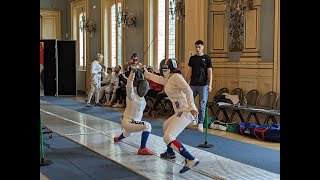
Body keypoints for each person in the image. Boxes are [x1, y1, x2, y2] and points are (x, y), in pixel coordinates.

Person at [143, 59, 200, 173]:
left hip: (186, 111)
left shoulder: (176, 77)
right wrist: (146, 72)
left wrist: (193, 108)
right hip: (180, 112)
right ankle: (170, 152)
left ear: (167, 69)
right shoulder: (170, 78)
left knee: (168, 137)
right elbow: (158, 79)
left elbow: (188, 90)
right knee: (165, 126)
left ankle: (190, 159)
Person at [114, 67, 154, 155]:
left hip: (134, 122)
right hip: (128, 122)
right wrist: (132, 72)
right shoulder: (131, 95)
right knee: (147, 126)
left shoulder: (142, 98)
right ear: (138, 87)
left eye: (145, 88)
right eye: (142, 88)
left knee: (128, 133)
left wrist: (145, 72)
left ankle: (118, 138)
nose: (144, 90)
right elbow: (129, 84)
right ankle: (142, 148)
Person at [186, 40, 213, 132]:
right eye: (196, 47)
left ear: (203, 47)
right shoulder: (192, 58)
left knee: (202, 105)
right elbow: (189, 71)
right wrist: (185, 83)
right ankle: (189, 120)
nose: (197, 49)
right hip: (193, 84)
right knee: (189, 103)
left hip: (203, 85)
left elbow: (210, 72)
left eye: (199, 47)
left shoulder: (207, 58)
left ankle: (200, 123)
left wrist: (210, 84)